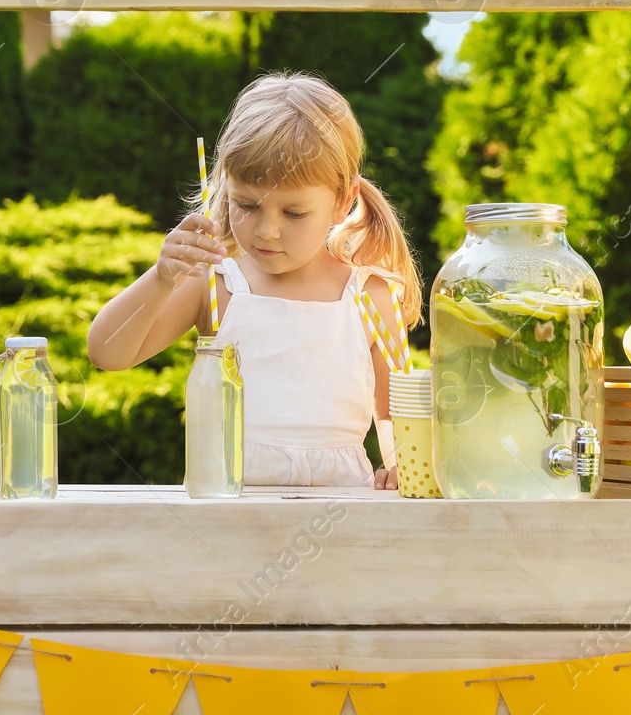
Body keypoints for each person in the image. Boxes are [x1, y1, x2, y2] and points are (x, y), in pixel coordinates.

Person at [88, 72, 423, 488]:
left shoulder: (370, 295)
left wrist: (400, 465)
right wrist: (160, 279)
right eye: (246, 204)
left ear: (343, 201)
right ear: (225, 187)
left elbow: (394, 411)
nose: (266, 230)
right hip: (228, 513)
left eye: (293, 213)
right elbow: (107, 353)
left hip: (343, 514)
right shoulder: (215, 283)